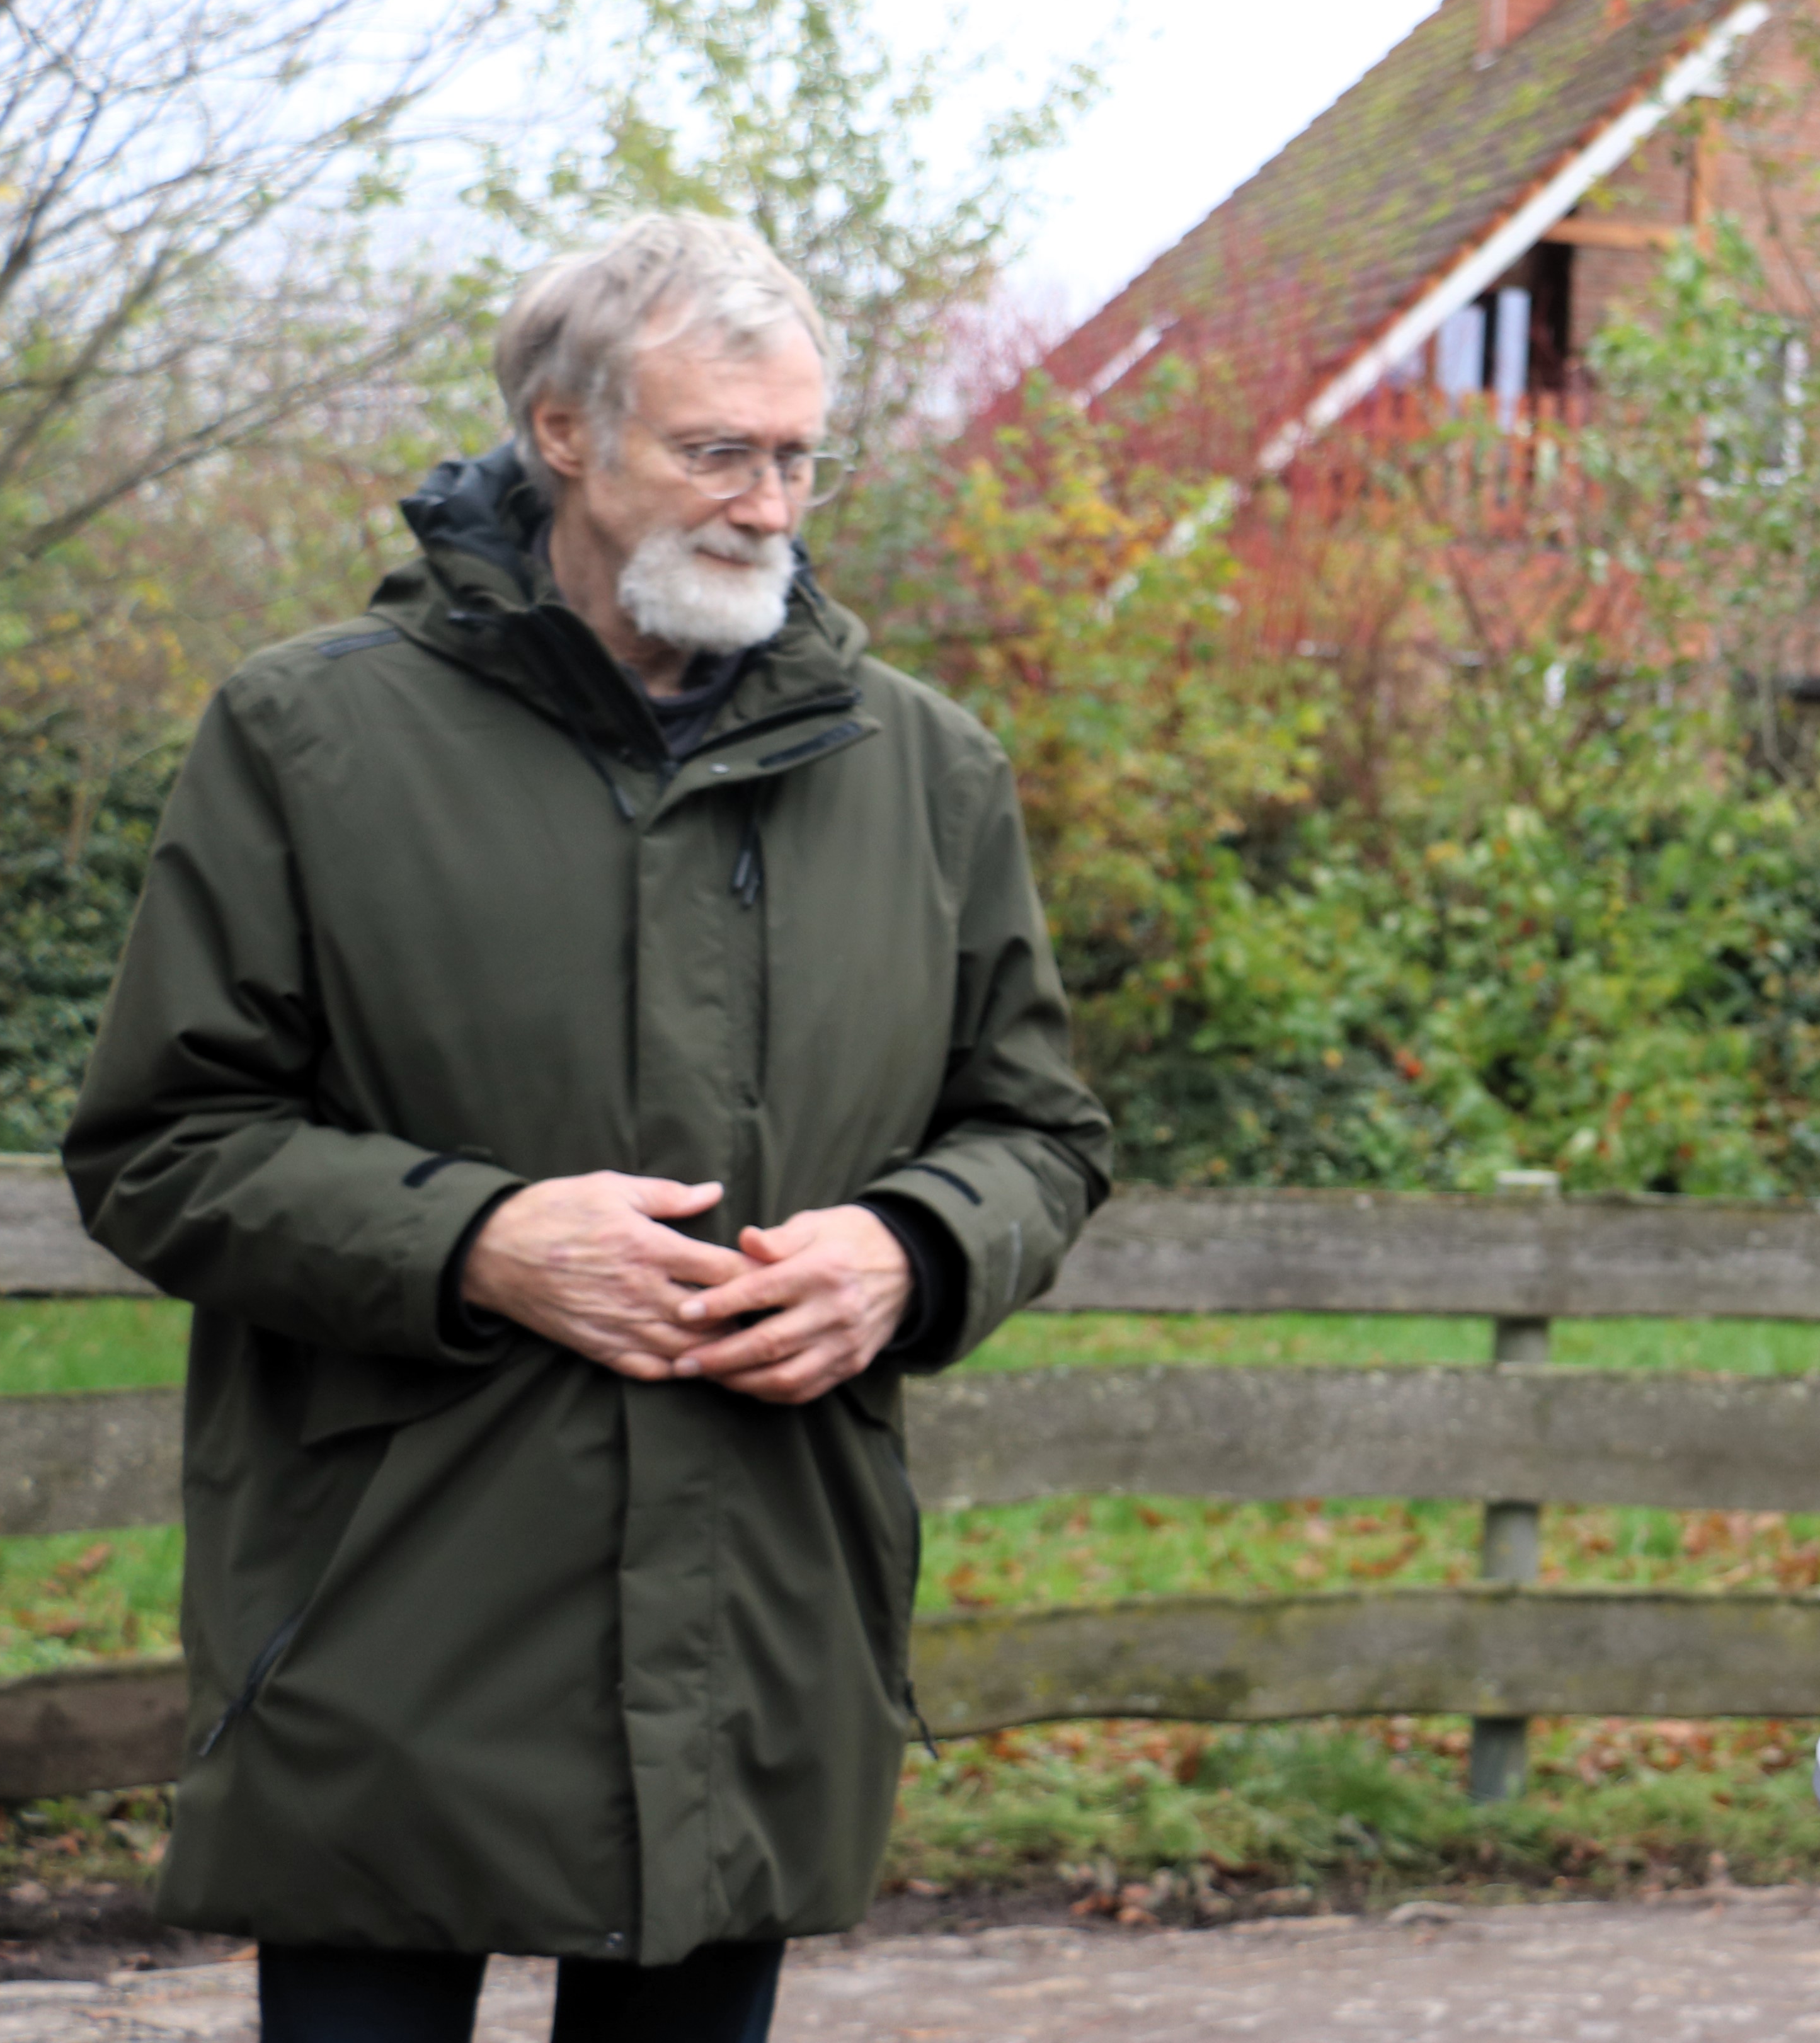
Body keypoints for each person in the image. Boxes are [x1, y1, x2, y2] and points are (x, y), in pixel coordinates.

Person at [64, 215, 1113, 2043]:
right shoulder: (312, 738)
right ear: (564, 432)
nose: (770, 506)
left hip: (757, 1612)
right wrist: (474, 1242)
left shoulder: (923, 769)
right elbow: (160, 1145)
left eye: (796, 455)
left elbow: (1037, 1128)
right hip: (386, 1611)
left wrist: (912, 1248)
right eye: (717, 451)